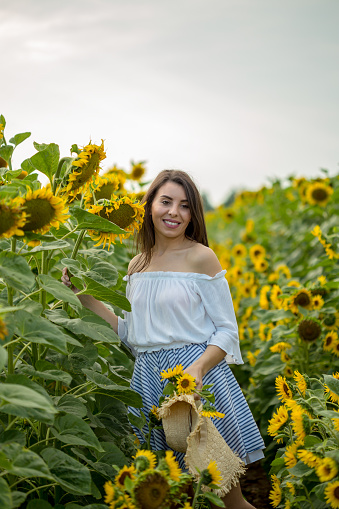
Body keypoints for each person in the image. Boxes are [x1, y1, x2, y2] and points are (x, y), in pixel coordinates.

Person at [62, 170, 265, 509]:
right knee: (166, 494)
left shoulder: (201, 257)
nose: (174, 212)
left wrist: (197, 370)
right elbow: (131, 334)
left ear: (192, 214)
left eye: (184, 206)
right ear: (150, 206)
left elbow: (227, 330)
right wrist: (84, 298)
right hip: (147, 382)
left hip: (194, 381)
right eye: (166, 202)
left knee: (225, 497)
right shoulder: (137, 265)